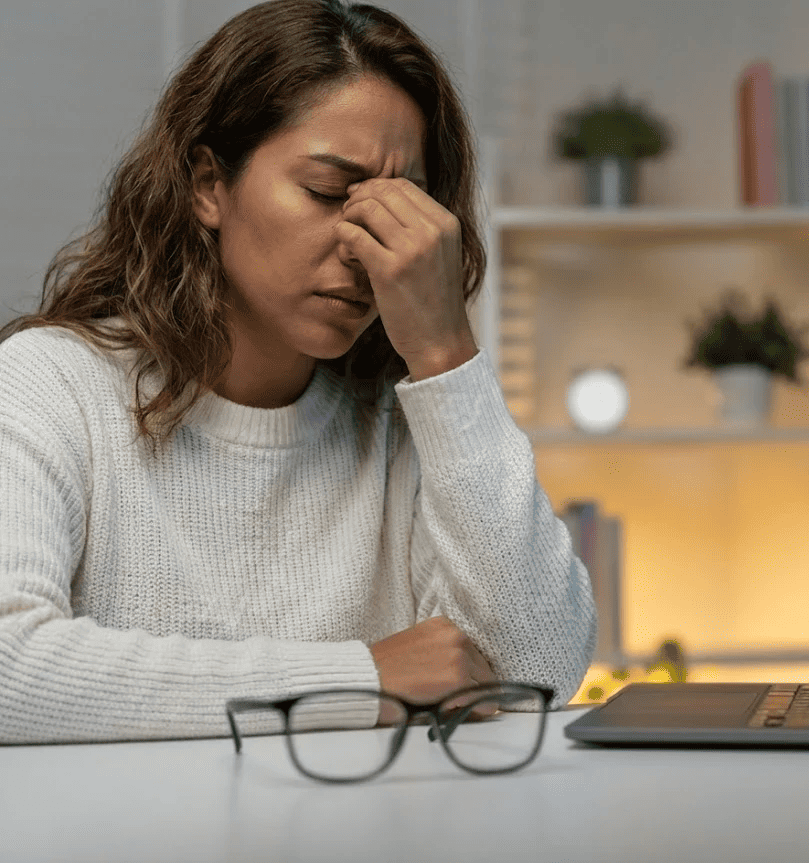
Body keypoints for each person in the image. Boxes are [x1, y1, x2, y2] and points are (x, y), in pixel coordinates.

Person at [0, 0, 596, 743]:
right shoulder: (49, 383)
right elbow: (8, 667)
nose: (367, 245)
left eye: (402, 208)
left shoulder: (410, 418)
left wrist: (446, 354)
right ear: (208, 186)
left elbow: (536, 670)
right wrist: (363, 678)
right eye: (325, 193)